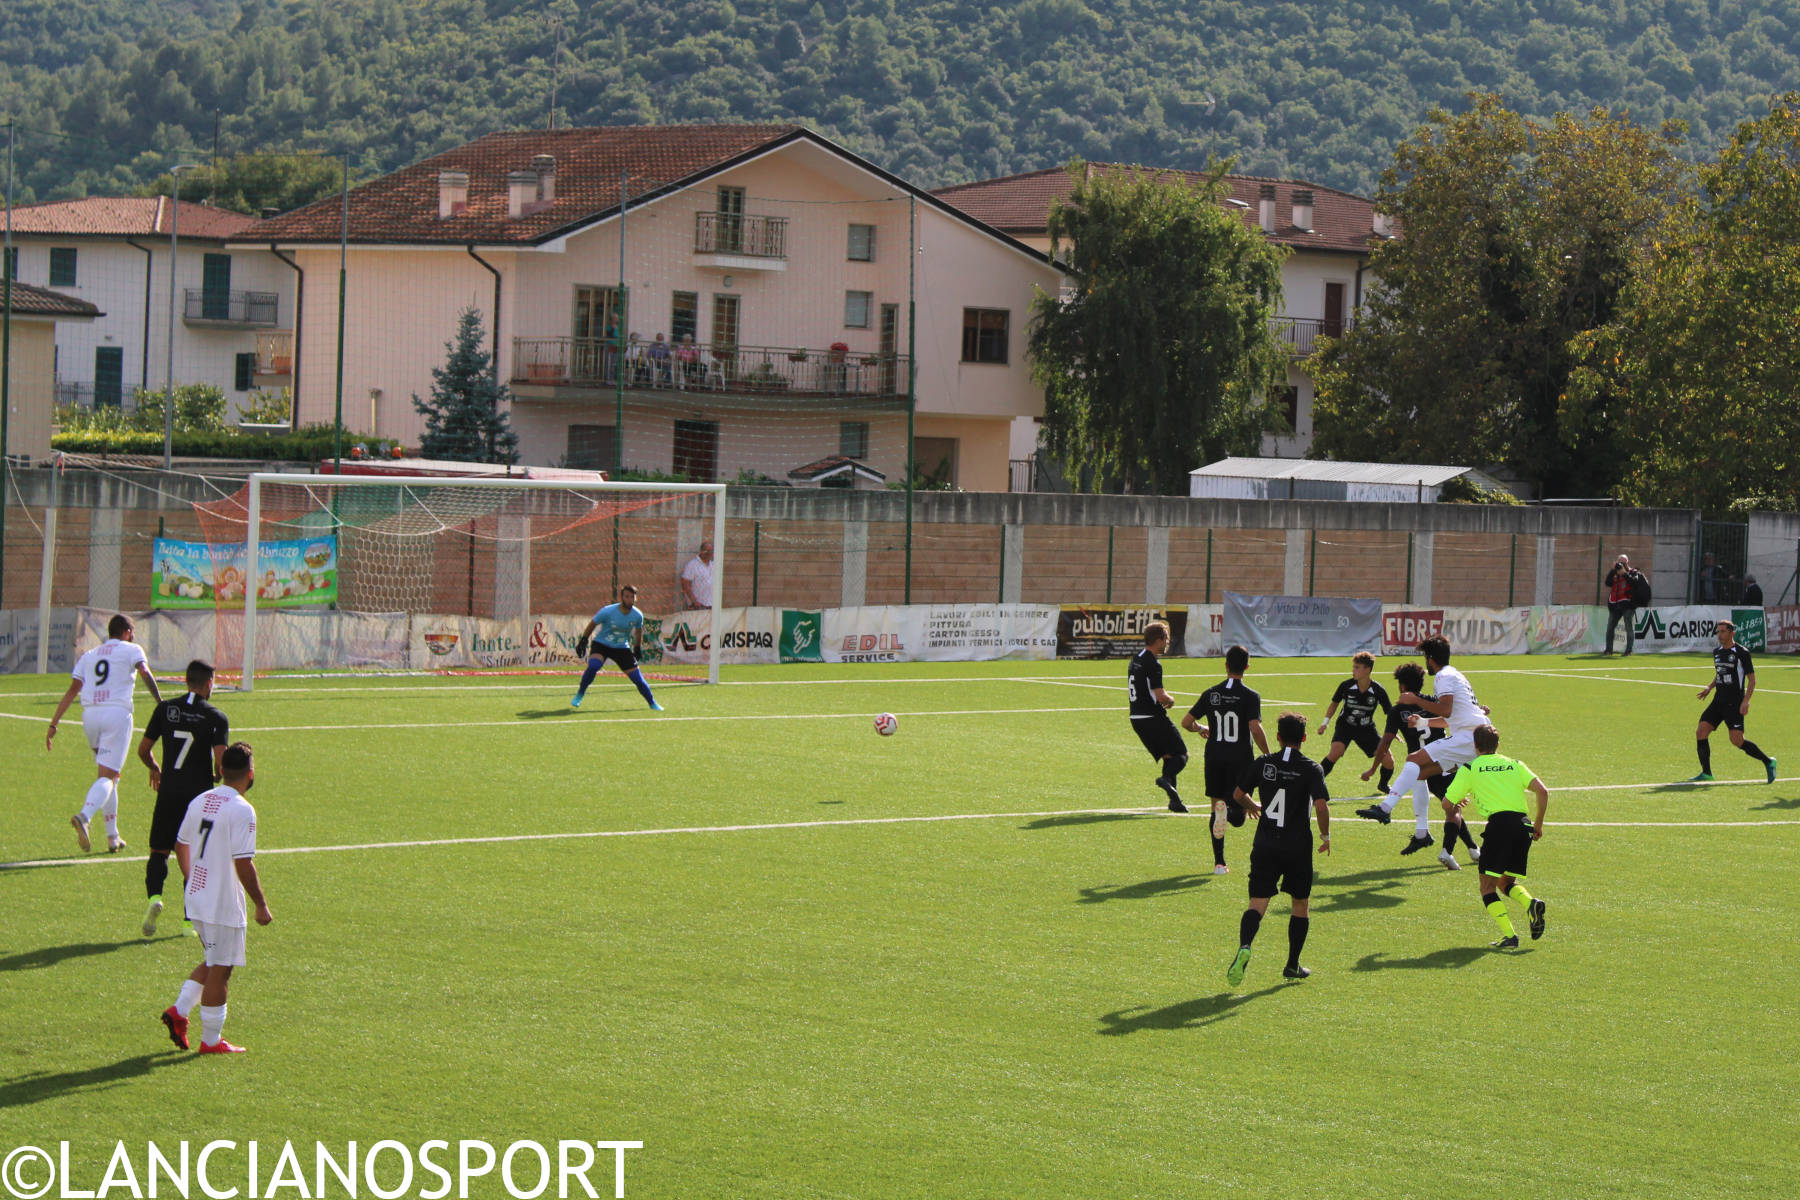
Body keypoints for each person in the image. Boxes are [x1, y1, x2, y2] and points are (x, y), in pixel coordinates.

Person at [162, 742, 271, 1054]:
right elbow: (243, 862)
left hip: (197, 896)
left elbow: (180, 844)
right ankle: (211, 1041)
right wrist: (260, 904)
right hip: (222, 902)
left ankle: (179, 1011)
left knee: (214, 959)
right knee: (222, 967)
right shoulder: (242, 809)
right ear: (250, 773)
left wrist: (190, 877)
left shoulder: (201, 800)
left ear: (221, 770)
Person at [1355, 636, 1488, 857]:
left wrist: (1415, 701)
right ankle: (1423, 834)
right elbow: (1451, 717)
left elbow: (1445, 710)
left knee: (1413, 760)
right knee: (1418, 774)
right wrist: (1424, 722)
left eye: (1425, 657)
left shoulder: (1443, 676)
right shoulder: (1456, 675)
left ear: (1430, 658)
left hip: (1468, 737)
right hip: (1474, 736)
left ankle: (1386, 809)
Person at [1224, 712, 1330, 985]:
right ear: (1304, 738)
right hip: (1297, 846)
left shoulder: (1263, 763)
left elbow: (1237, 795)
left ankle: (1245, 946)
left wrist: (1253, 806)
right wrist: (1325, 835)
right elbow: (1320, 805)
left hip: (1265, 844)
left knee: (1257, 903)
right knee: (1300, 903)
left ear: (1278, 738)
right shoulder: (1311, 768)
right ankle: (1292, 964)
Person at [46, 614, 164, 853]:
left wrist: (54, 723)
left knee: (110, 776)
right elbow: (145, 673)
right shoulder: (131, 649)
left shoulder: (90, 655)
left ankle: (113, 837)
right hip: (116, 716)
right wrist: (161, 703)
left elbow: (72, 689)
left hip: (90, 717)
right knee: (108, 777)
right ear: (128, 632)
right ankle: (85, 816)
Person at [135, 660, 230, 938]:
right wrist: (216, 775)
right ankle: (190, 920)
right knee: (195, 857)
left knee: (159, 851)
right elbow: (222, 762)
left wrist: (155, 768)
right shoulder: (216, 716)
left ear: (186, 681)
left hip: (169, 792)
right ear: (208, 683)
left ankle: (154, 898)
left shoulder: (165, 709)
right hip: (198, 799)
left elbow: (143, 750)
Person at [1441, 725, 1549, 949]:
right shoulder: (1514, 764)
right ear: (1498, 745)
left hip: (1499, 827)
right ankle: (1530, 903)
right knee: (1505, 881)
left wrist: (1455, 803)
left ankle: (1510, 936)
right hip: (1522, 826)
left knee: (1487, 887)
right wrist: (1537, 825)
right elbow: (1542, 791)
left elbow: (1447, 803)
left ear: (1475, 746)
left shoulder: (1470, 768)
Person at [1181, 644, 1269, 874]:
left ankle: (1219, 863)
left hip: (1215, 757)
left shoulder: (1211, 694)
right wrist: (1268, 754)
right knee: (1240, 816)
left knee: (1216, 806)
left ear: (1226, 665)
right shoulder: (1250, 696)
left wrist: (1201, 727)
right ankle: (1233, 811)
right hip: (1240, 758)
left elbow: (1185, 722)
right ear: (1247, 666)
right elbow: (1255, 728)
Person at [1690, 618, 1776, 784]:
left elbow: (1752, 679)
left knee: (1737, 740)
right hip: (1718, 701)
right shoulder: (1717, 652)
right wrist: (1709, 687)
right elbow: (1720, 672)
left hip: (1734, 702)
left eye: (1723, 631)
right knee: (1701, 732)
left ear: (1732, 633)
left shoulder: (1742, 652)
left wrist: (1746, 701)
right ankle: (1706, 773)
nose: (1719, 635)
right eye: (1718, 631)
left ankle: (1768, 761)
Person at [1127, 622, 1189, 813]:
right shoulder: (1153, 663)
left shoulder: (1135, 659)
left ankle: (1174, 801)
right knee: (1181, 754)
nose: (1167, 643)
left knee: (1168, 755)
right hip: (1152, 716)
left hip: (1136, 717)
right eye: (1166, 639)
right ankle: (1165, 779)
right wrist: (1171, 700)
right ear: (1159, 639)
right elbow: (1161, 697)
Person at [572, 585, 663, 711]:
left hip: (621, 648)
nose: (629, 599)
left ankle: (652, 703)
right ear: (622, 597)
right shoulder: (608, 611)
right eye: (627, 596)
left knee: (637, 678)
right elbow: (593, 623)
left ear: (636, 598)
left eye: (632, 597)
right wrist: (583, 640)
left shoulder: (638, 615)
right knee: (593, 666)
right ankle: (580, 694)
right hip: (602, 645)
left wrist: (637, 648)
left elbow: (638, 631)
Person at [1315, 651, 1394, 790]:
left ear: (1367, 670)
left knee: (1388, 761)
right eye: (1354, 667)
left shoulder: (1378, 690)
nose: (1353, 670)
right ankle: (1314, 783)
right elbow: (1334, 703)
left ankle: (1383, 784)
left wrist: (1393, 730)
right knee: (1336, 752)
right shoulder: (1346, 686)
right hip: (1345, 726)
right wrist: (1324, 723)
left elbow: (1390, 712)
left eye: (1357, 667)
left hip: (1366, 728)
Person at [1603, 554, 1646, 656]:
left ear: (1628, 562)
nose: (1621, 564)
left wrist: (1625, 574)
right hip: (1615, 604)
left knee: (1628, 627)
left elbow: (1635, 583)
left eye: (1623, 562)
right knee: (1610, 627)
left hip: (1628, 604)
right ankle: (1609, 650)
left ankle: (1628, 650)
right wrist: (1613, 570)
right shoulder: (1614, 573)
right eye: (1620, 562)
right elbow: (1608, 583)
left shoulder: (1633, 572)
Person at [680, 540, 715, 610]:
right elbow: (685, 584)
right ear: (701, 551)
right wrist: (694, 602)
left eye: (711, 551)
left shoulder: (713, 565)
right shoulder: (692, 565)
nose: (708, 553)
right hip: (698, 606)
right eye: (706, 551)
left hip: (712, 605)